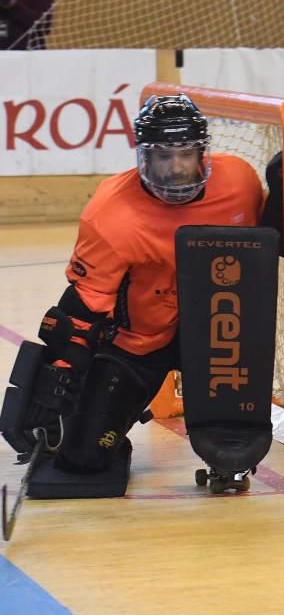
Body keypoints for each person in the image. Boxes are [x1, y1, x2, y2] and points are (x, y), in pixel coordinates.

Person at [0, 94, 263, 495]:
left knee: (234, 448)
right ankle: (119, 407)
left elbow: (280, 244)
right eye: (162, 156)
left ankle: (229, 457)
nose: (175, 168)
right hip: (140, 343)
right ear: (143, 156)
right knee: (82, 457)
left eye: (185, 153)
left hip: (219, 336)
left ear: (202, 153)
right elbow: (84, 308)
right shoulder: (111, 213)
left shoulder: (241, 184)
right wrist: (55, 382)